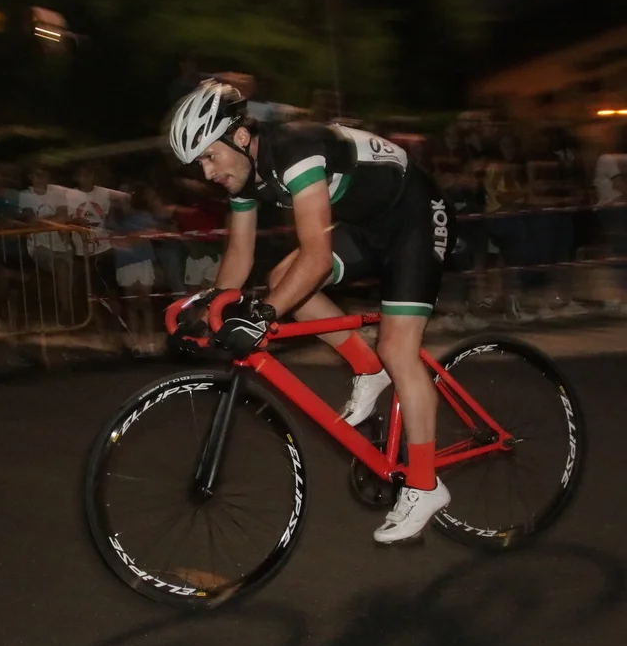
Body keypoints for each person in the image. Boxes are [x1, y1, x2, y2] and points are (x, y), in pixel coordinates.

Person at [168, 80, 456, 544]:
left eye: (209, 157)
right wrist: (210, 307)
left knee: (398, 348)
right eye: (199, 163)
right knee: (283, 280)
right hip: (366, 225)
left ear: (239, 137)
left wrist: (261, 314)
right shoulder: (244, 172)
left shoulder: (295, 150)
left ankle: (425, 484)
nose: (206, 172)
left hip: (415, 216)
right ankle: (368, 369)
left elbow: (317, 257)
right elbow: (239, 254)